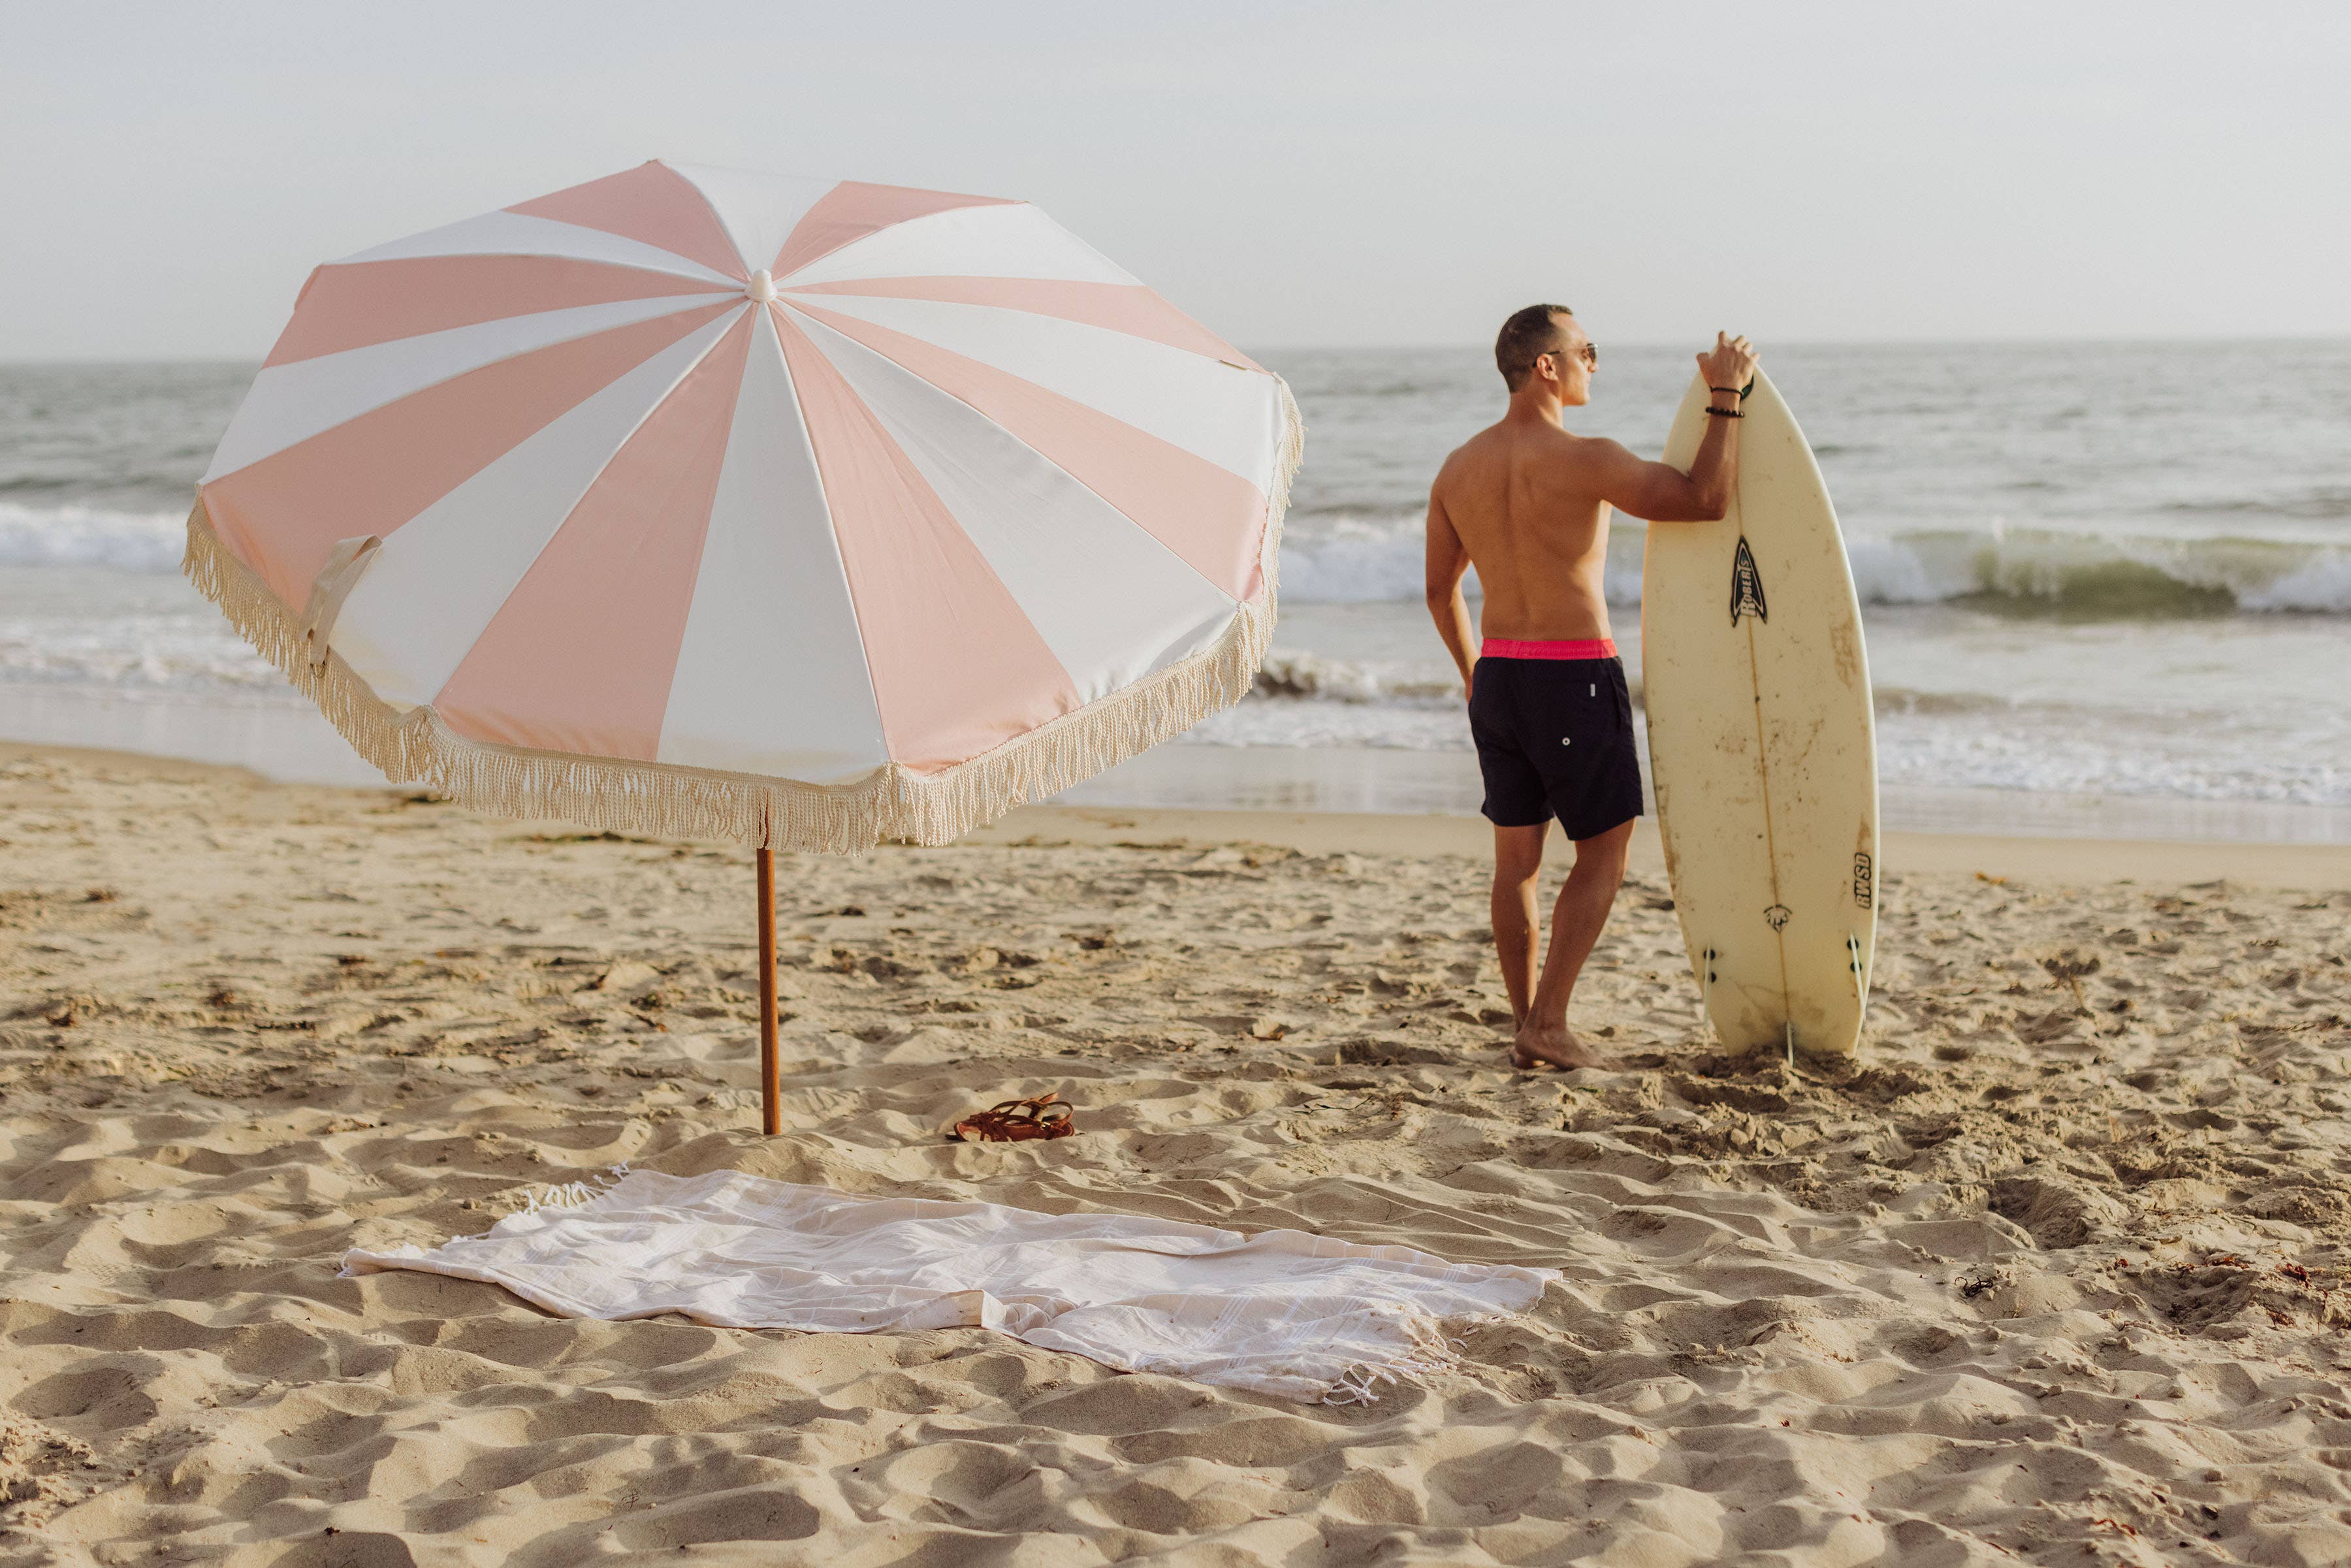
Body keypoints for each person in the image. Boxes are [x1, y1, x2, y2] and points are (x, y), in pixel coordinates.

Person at [1426, 305, 1757, 1069]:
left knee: (1517, 864)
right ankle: (1548, 1024)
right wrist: (1726, 394)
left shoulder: (1457, 469)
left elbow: (1440, 591)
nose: (1594, 364)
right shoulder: (1588, 459)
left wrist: (1474, 675)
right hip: (1572, 674)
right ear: (1547, 366)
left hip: (1500, 677)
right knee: (1603, 855)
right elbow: (1705, 501)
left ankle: (1528, 1024)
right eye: (1586, 350)